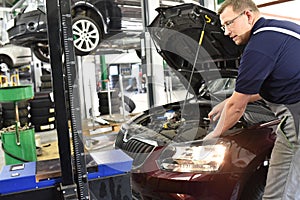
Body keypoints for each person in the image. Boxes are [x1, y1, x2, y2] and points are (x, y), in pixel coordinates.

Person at [204, 0, 300, 199]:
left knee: (279, 193)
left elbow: (236, 108)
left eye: (229, 23)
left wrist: (212, 137)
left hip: (297, 119)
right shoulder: (280, 29)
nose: (226, 32)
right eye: (223, 27)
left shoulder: (258, 47)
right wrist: (233, 98)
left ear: (248, 15)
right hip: (293, 112)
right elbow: (281, 81)